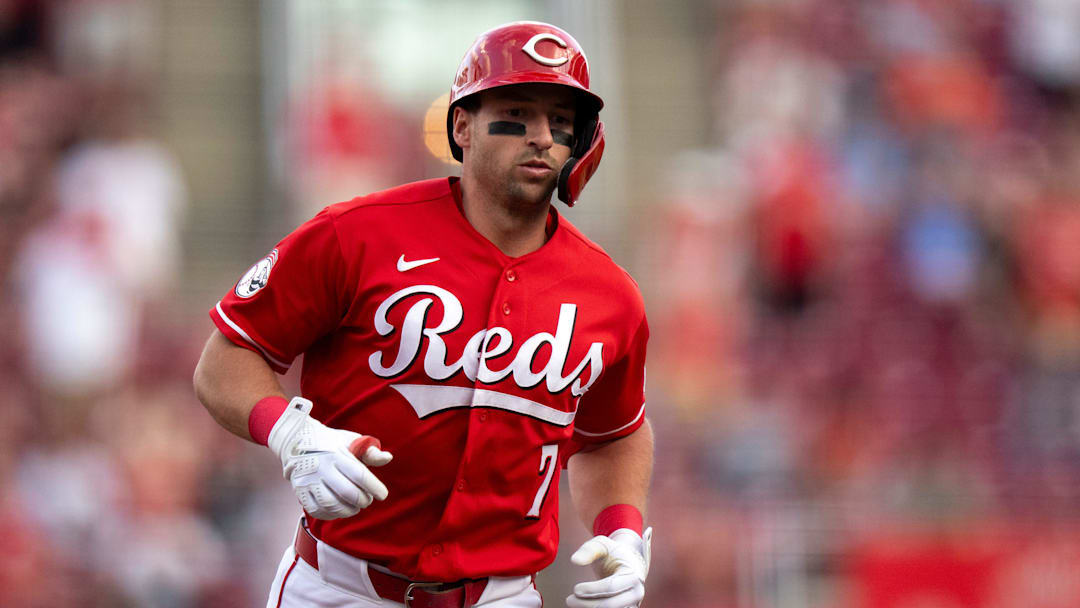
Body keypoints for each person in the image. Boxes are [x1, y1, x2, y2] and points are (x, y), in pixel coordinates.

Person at [193, 21, 653, 608]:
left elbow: (614, 434)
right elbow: (227, 356)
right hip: (338, 587)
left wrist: (621, 529)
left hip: (502, 596)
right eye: (516, 112)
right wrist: (290, 433)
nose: (541, 136)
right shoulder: (356, 234)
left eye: (560, 121)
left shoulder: (610, 293)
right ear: (462, 125)